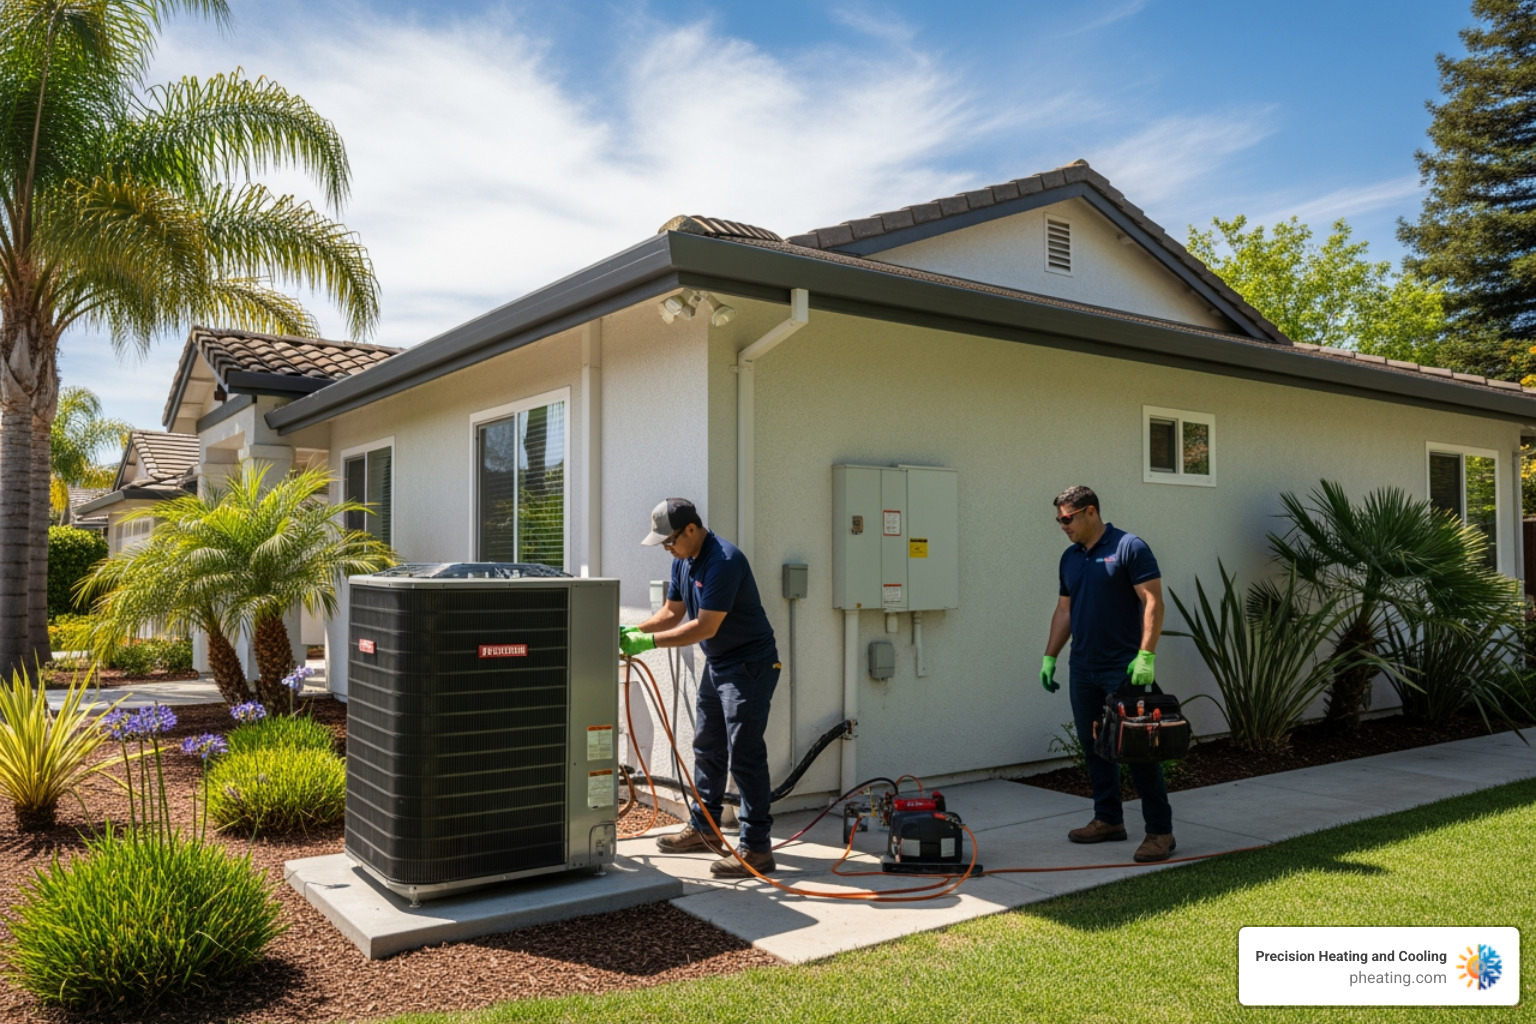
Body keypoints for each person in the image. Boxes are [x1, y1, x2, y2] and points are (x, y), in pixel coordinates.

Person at [620, 498, 781, 877]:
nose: (666, 548)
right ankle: (705, 828)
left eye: (669, 540)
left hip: (750, 666)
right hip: (720, 664)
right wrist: (633, 631)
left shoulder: (724, 561)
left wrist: (649, 645)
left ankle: (757, 848)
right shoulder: (683, 560)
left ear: (691, 530)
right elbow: (672, 612)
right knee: (707, 745)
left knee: (745, 754)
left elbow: (705, 627)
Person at [1039, 485, 1176, 863]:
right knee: (1095, 747)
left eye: (1067, 518)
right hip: (1082, 667)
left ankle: (1160, 832)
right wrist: (1050, 657)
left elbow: (1152, 601)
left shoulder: (1129, 547)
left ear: (1090, 512)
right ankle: (1108, 819)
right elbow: (1064, 611)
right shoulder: (1070, 558)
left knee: (1139, 751)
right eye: (1058, 520)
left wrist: (1146, 655)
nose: (1062, 525)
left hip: (1124, 667)